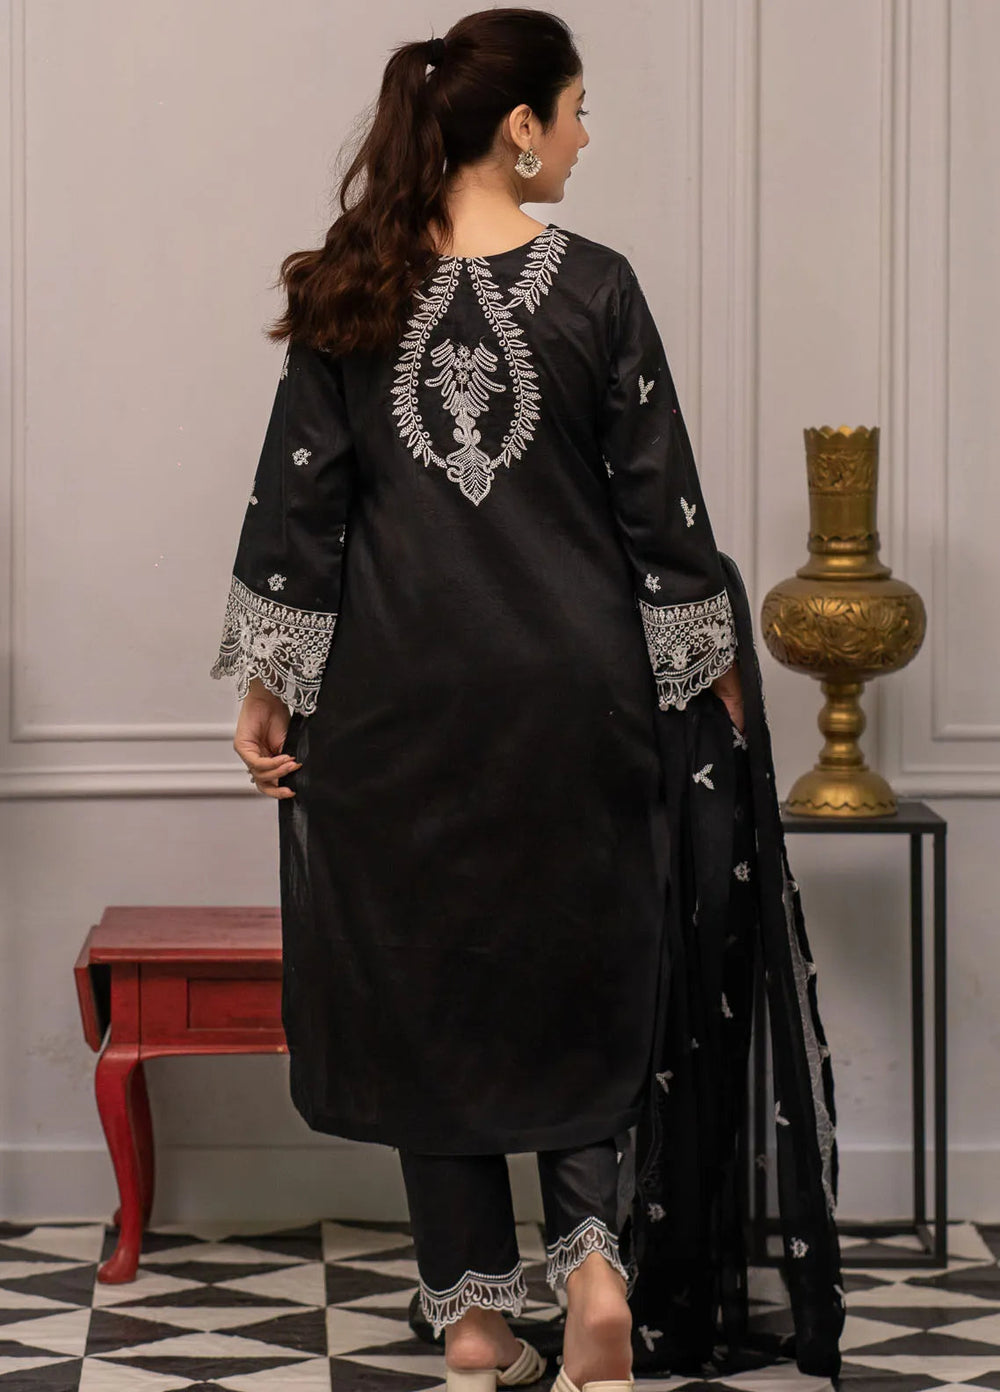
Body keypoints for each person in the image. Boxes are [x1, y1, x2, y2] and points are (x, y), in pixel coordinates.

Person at [210, 10, 747, 1390]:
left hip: (395, 710)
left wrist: (270, 687)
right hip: (579, 703)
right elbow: (663, 517)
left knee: (424, 986)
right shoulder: (600, 287)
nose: (584, 135)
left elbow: (301, 515)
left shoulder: (354, 281)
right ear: (520, 128)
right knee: (583, 974)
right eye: (576, 109)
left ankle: (469, 1322)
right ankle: (594, 1274)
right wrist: (711, 677)